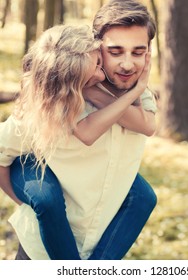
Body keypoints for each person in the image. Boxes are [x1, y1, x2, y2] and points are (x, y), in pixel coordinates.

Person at [0, 0, 157, 260]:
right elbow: (85, 133)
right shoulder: (54, 101)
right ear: (96, 48)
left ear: (148, 53)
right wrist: (24, 202)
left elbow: (149, 126)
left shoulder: (141, 94)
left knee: (143, 196)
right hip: (40, 251)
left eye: (138, 52)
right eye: (115, 52)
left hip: (101, 244)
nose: (128, 65)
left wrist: (110, 92)